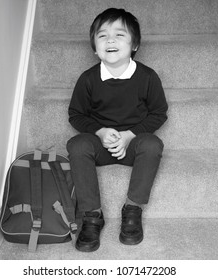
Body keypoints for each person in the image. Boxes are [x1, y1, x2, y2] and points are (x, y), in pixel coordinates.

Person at [67, 8, 168, 252]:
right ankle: (92, 215)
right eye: (102, 36)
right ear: (94, 48)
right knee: (77, 145)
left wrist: (129, 135)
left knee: (153, 145)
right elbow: (76, 115)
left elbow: (158, 113)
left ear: (134, 45)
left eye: (119, 35)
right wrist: (100, 132)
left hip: (133, 145)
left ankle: (132, 209)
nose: (110, 40)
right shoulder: (88, 79)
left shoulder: (147, 77)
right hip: (100, 145)